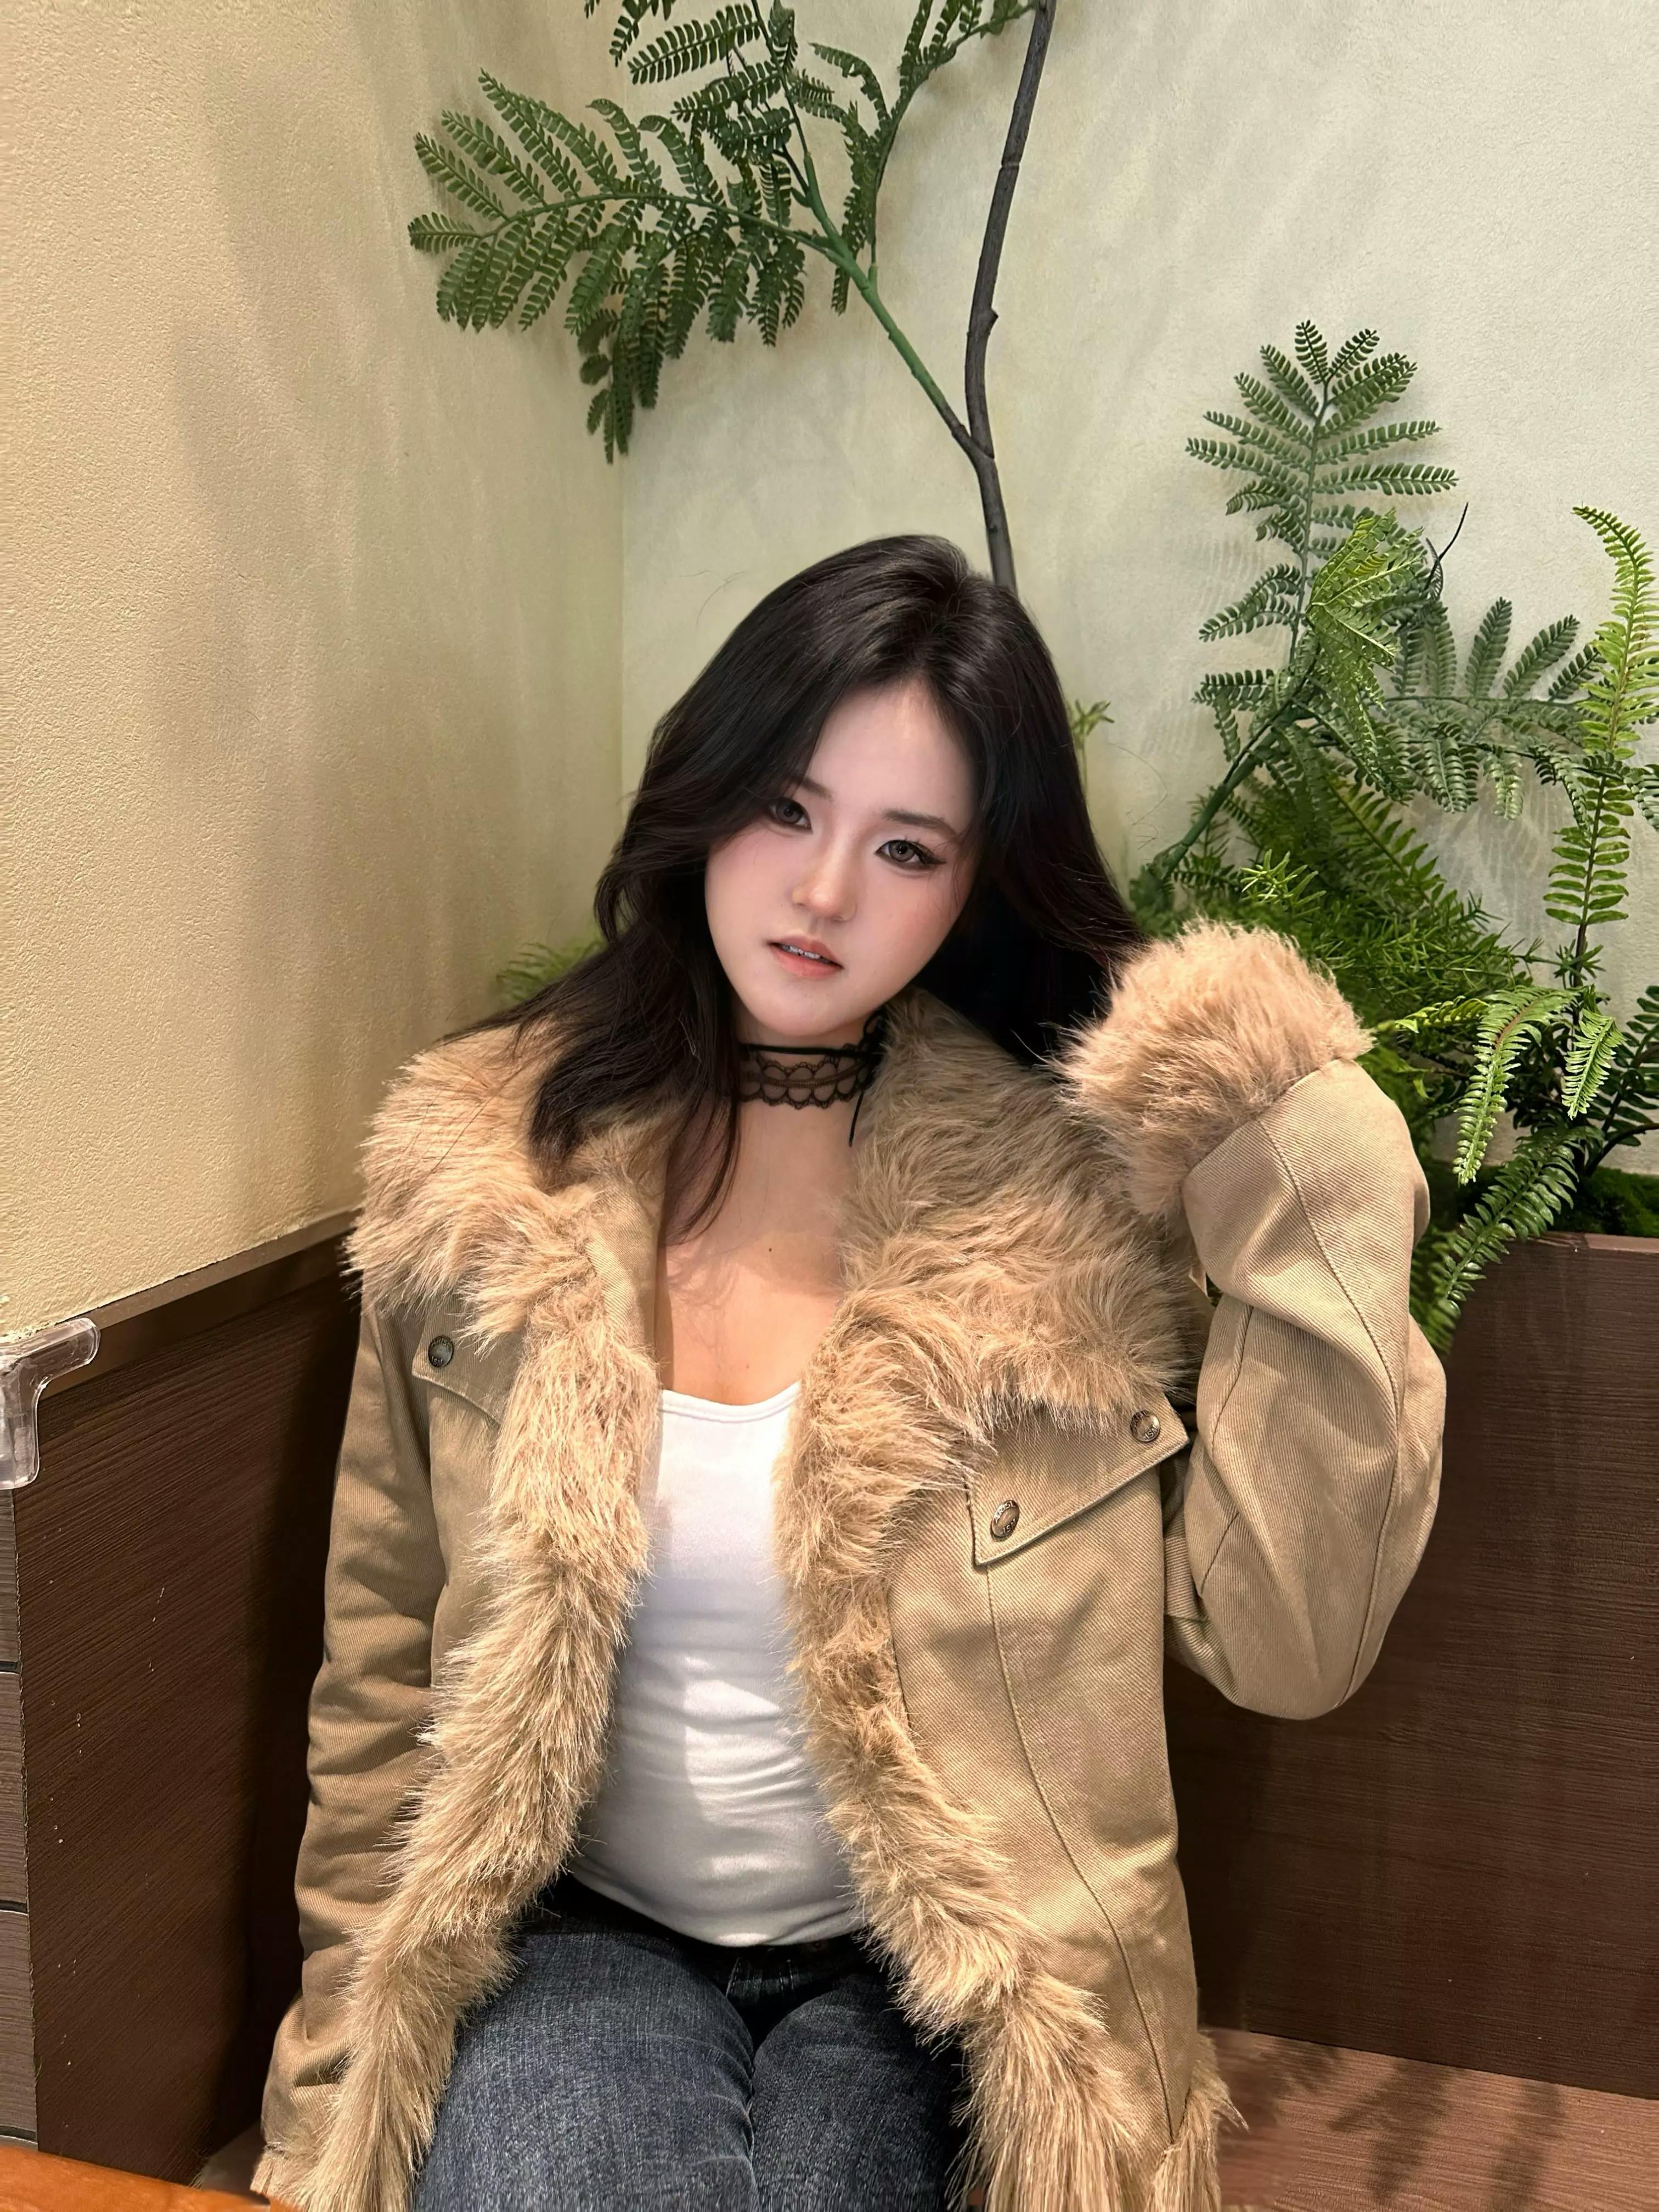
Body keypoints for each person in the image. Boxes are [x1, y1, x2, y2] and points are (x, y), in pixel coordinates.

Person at [253, 534, 1444, 2212]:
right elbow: (377, 1672)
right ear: (704, 793)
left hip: (951, 1975)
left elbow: (1290, 1649)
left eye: (904, 848)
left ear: (977, 884)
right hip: (574, 1940)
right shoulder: (484, 1168)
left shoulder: (1074, 1210)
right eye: (787, 808)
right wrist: (326, 2106)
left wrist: (1301, 1130)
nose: (822, 894)